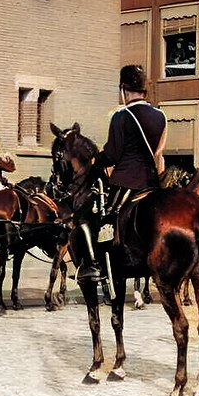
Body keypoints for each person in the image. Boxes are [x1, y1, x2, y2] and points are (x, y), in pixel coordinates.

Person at [75, 64, 167, 282]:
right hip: (152, 182)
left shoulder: (121, 116)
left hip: (127, 179)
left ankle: (95, 266)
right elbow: (159, 152)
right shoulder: (161, 115)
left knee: (97, 216)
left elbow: (114, 155)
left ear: (124, 89)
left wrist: (96, 160)